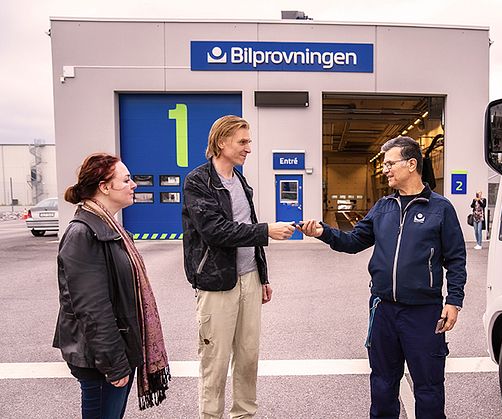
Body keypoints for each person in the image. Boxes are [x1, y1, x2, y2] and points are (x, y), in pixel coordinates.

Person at [297, 136, 467, 419]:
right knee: (382, 385)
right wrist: (323, 233)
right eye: (384, 164)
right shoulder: (383, 207)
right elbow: (353, 242)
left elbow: (456, 258)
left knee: (429, 387)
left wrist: (454, 300)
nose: (385, 169)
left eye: (390, 163)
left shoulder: (440, 209)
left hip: (424, 313)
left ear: (412, 164)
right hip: (383, 310)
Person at [182, 115, 295, 418]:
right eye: (242, 141)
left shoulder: (240, 181)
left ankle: (245, 414)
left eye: (249, 141)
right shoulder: (198, 181)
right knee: (215, 361)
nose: (249, 148)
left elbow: (246, 227)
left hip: (250, 279)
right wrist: (266, 231)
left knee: (248, 357)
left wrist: (263, 276)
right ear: (221, 142)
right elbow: (215, 231)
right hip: (216, 283)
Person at [53, 153, 170, 418]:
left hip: (114, 354)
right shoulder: (83, 233)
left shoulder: (108, 227)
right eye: (126, 179)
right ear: (104, 187)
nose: (134, 185)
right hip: (102, 361)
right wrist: (114, 364)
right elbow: (92, 309)